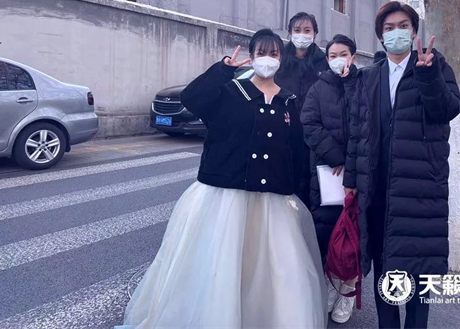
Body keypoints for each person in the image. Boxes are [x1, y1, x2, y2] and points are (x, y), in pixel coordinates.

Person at [118, 29, 327, 329]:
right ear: (252, 57)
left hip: (273, 201)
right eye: (261, 53)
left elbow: (295, 150)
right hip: (226, 196)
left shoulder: (288, 102)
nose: (268, 59)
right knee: (222, 267)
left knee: (272, 271)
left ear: (281, 59)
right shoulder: (230, 92)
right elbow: (192, 98)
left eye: (274, 54)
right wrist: (223, 70)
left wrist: (298, 192)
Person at [344, 1, 460, 329]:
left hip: (419, 187)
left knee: (418, 270)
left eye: (403, 26)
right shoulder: (369, 76)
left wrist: (428, 76)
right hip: (377, 188)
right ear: (381, 36)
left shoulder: (434, 65)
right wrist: (351, 180)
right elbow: (357, 131)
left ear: (414, 31)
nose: (396, 32)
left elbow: (448, 109)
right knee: (384, 267)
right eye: (389, 28)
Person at [301, 34, 358, 324]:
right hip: (326, 175)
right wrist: (336, 157)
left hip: (359, 175)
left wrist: (353, 164)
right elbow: (309, 123)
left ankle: (347, 292)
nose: (339, 60)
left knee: (353, 237)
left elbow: (368, 125)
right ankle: (329, 286)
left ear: (353, 57)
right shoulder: (318, 88)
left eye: (343, 54)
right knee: (326, 233)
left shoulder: (363, 85)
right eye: (333, 55)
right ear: (326, 59)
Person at [276, 12, 329, 207]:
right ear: (290, 33)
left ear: (315, 33)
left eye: (307, 30)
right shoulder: (279, 60)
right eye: (297, 30)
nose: (302, 35)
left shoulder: (324, 63)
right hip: (283, 135)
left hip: (313, 138)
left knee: (309, 193)